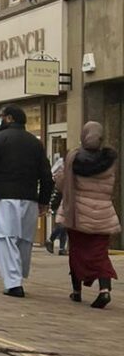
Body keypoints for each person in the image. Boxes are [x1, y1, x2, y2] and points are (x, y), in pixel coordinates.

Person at [0, 104, 54, 298]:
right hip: (29, 197)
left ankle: (13, 282)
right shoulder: (35, 143)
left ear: (9, 118)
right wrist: (43, 200)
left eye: (1, 117)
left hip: (4, 196)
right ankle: (19, 273)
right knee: (24, 239)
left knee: (6, 238)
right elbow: (46, 174)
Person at [53, 121, 119, 308]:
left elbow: (62, 184)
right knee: (100, 254)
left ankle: (77, 291)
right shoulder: (109, 161)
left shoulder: (73, 158)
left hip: (78, 214)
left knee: (77, 252)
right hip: (103, 214)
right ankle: (104, 290)